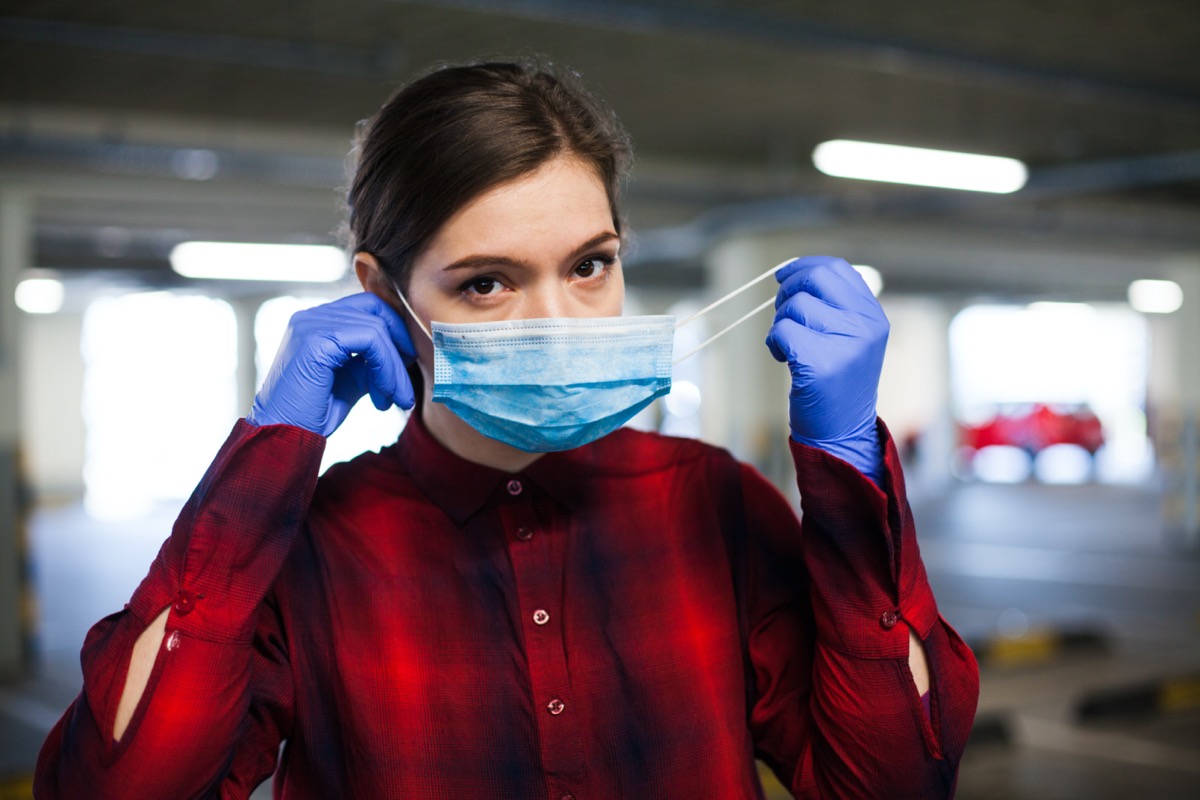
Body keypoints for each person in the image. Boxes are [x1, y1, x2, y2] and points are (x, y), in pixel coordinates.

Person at [35, 59, 978, 799]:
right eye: (486, 282)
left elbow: (891, 781)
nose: (560, 324)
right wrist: (264, 467)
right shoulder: (311, 546)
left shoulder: (714, 501)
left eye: (589, 266)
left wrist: (846, 456)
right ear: (383, 295)